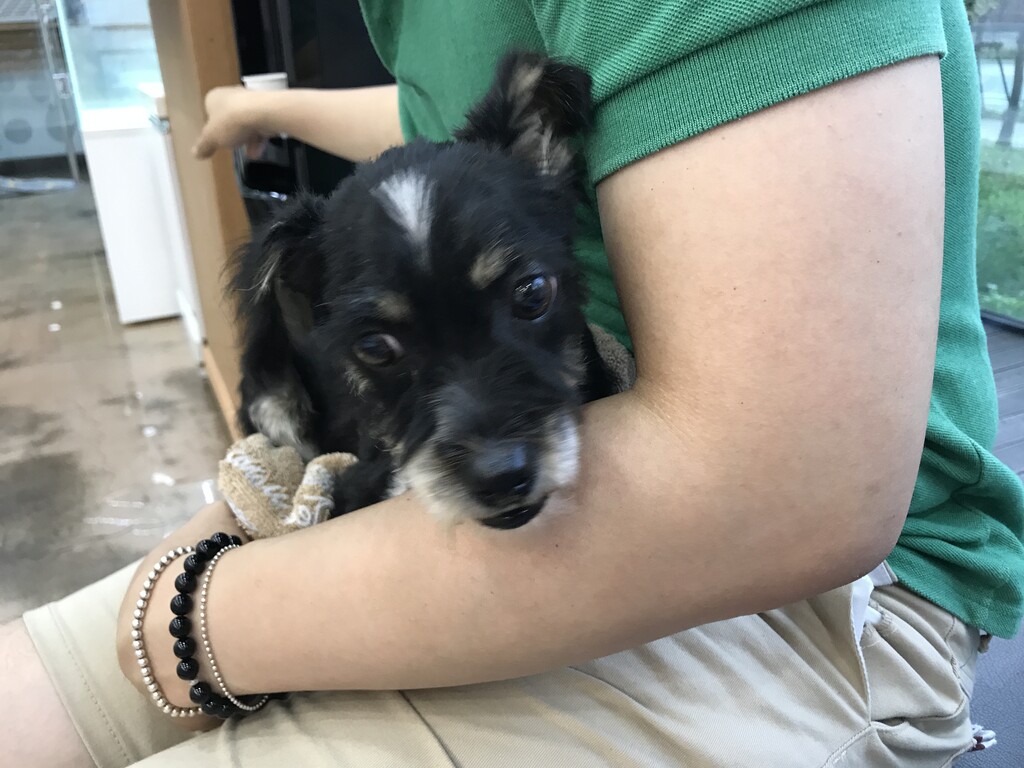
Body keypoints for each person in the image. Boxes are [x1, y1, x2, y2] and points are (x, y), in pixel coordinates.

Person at [3, 0, 1022, 766]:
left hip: (832, 596)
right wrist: (259, 105)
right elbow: (441, 118)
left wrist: (192, 621)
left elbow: (792, 487)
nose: (491, 452)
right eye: (382, 349)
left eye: (527, 294)